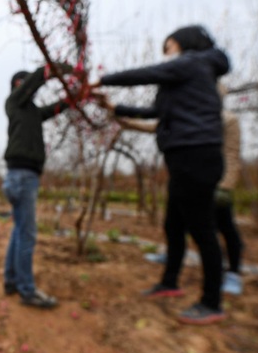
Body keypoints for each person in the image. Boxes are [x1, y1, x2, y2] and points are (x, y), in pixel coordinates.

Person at [90, 25, 230, 325]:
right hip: (184, 158)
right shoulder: (187, 79)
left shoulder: (193, 63)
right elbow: (155, 113)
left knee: (202, 230)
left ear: (184, 43)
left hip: (196, 156)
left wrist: (103, 80)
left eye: (168, 46)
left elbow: (147, 73)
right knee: (173, 224)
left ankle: (212, 302)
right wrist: (114, 107)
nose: (165, 53)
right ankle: (170, 283)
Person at [118, 83, 245, 295]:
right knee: (174, 226)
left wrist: (225, 186)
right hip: (186, 179)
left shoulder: (227, 119)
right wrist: (126, 122)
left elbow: (232, 154)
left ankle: (232, 274)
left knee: (223, 228)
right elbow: (156, 126)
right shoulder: (187, 119)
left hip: (215, 183)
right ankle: (171, 277)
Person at [3, 63, 72, 309]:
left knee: (19, 230)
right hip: (22, 177)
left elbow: (54, 109)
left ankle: (11, 281)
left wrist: (73, 97)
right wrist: (49, 70)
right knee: (27, 235)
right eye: (23, 84)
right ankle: (27, 290)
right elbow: (28, 86)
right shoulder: (13, 104)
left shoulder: (31, 112)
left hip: (20, 177)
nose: (27, 88)